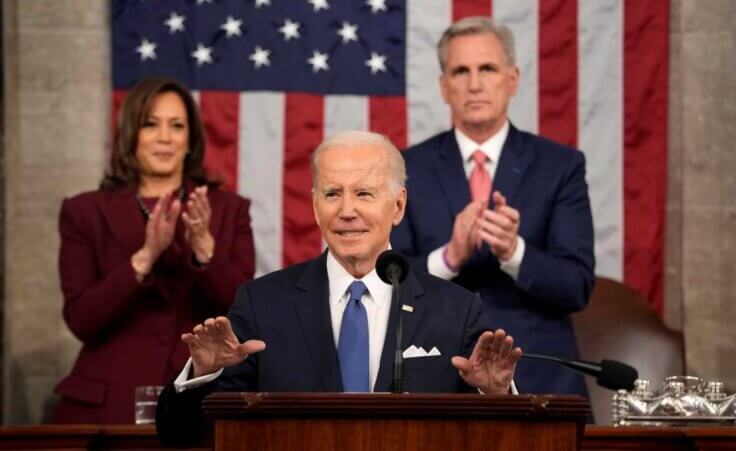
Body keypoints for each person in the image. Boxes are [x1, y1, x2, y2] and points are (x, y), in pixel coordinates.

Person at [155, 131, 522, 446]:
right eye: (332, 194)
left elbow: (499, 441)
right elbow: (181, 435)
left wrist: (495, 396)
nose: (347, 210)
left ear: (398, 206)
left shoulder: (456, 311)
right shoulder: (262, 305)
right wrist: (204, 374)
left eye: (364, 194)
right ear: (315, 207)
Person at [390, 17, 595, 397]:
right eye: (460, 71)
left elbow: (577, 286)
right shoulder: (405, 169)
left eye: (487, 68)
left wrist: (514, 251)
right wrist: (449, 258)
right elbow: (383, 283)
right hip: (435, 378)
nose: (474, 84)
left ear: (512, 78)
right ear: (443, 86)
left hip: (538, 378)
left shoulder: (560, 166)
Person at [53, 77, 255, 424]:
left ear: (190, 139)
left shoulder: (227, 209)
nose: (164, 137)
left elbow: (242, 313)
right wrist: (144, 257)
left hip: (199, 402)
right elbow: (82, 320)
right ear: (131, 134)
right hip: (108, 405)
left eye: (176, 126)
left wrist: (205, 247)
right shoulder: (84, 211)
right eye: (151, 124)